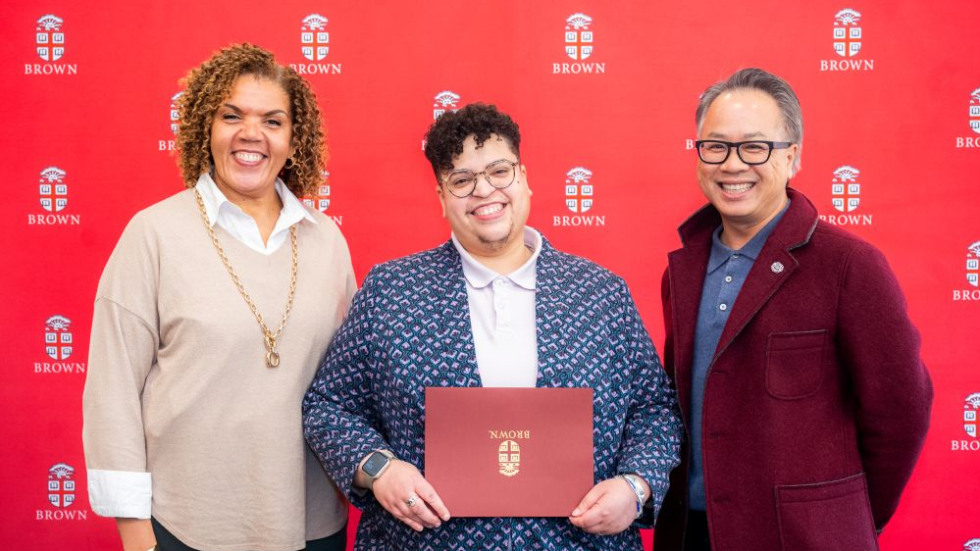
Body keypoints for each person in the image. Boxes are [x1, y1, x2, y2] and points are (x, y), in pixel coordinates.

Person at [302, 103, 682, 551]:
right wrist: (379, 469)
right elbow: (328, 406)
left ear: (524, 178)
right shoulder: (391, 290)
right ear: (442, 198)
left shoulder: (601, 292)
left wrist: (636, 486)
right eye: (462, 180)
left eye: (499, 171)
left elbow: (654, 409)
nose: (484, 190)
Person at [82, 44, 354, 551]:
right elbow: (112, 390)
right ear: (205, 129)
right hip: (185, 526)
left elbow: (350, 387)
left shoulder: (327, 241)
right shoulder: (153, 234)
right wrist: (135, 532)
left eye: (272, 121)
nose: (251, 133)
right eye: (232, 116)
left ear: (294, 139)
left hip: (312, 524)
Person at [653, 68, 933, 551]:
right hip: (692, 534)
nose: (732, 164)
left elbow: (901, 412)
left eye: (754, 147)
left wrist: (842, 516)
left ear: (793, 156)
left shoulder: (850, 265)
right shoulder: (682, 269)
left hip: (803, 540)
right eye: (716, 146)